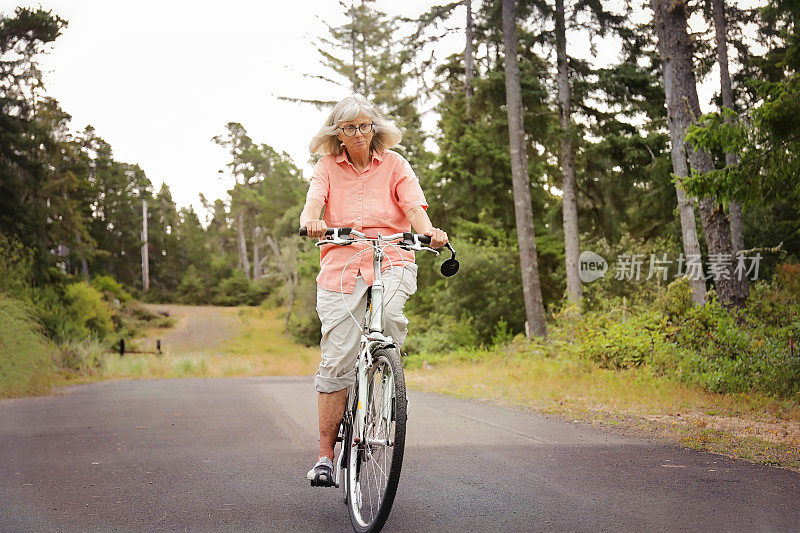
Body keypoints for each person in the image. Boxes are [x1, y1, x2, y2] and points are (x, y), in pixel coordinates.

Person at [300, 95, 447, 486]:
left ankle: (383, 384)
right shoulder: (327, 167)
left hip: (392, 257)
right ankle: (326, 457)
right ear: (339, 135)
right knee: (337, 358)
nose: (360, 134)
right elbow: (312, 204)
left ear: (375, 129)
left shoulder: (396, 164)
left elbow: (414, 208)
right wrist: (313, 221)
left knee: (391, 319)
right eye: (350, 128)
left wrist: (428, 231)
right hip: (342, 264)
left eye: (365, 126)